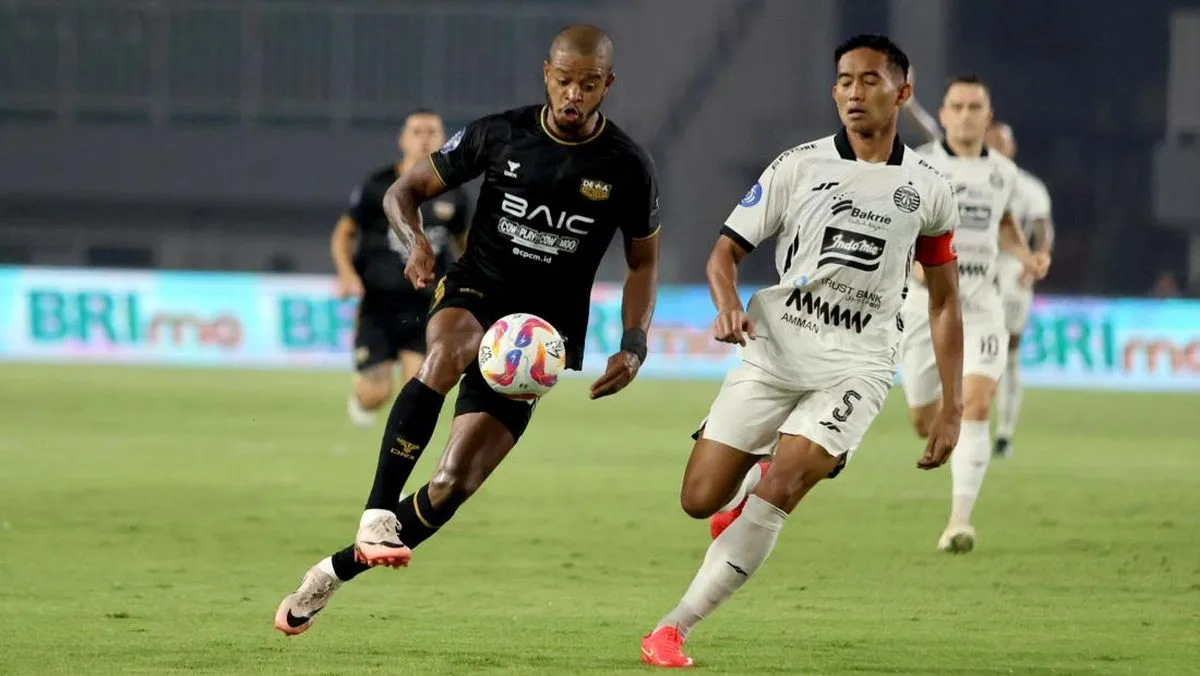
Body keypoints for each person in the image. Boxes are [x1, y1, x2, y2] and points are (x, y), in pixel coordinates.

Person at [274, 24, 661, 637]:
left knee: (454, 483)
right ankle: (376, 512)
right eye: (564, 80)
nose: (574, 94)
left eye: (588, 84)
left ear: (607, 84)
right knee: (451, 350)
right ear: (547, 74)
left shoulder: (628, 166)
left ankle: (332, 572)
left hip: (540, 336)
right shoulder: (499, 133)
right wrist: (414, 242)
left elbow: (643, 262)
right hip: (478, 291)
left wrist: (633, 345)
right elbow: (404, 192)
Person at [639, 34, 964, 669]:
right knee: (699, 499)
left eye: (870, 80)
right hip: (776, 350)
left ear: (903, 91)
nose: (853, 92)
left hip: (861, 363)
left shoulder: (929, 187)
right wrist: (727, 304)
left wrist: (952, 407)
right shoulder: (798, 166)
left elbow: (946, 302)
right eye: (844, 80)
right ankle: (750, 476)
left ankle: (672, 630)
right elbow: (724, 253)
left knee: (785, 486)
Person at [898, 75, 1048, 554]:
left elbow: (1004, 221)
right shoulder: (918, 165)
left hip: (982, 306)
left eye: (974, 107)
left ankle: (959, 521)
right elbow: (896, 228)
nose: (965, 115)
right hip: (924, 308)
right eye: (957, 107)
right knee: (925, 420)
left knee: (976, 404)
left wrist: (1026, 256)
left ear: (988, 116)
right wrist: (914, 266)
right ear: (943, 114)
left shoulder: (1004, 173)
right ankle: (947, 439)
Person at [331, 109, 471, 427]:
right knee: (376, 393)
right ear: (402, 139)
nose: (424, 139)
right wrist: (346, 273)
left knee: (415, 391)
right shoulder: (378, 185)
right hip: (378, 302)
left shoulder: (455, 194)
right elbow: (343, 233)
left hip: (425, 304)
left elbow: (463, 244)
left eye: (431, 132)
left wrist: (471, 282)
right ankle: (364, 394)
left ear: (443, 139)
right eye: (416, 132)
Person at [983, 121, 1054, 457]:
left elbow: (1043, 228)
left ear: (1011, 148)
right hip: (972, 266)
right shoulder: (967, 176)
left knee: (1009, 352)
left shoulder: (1029, 187)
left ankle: (1004, 434)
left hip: (1012, 269)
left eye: (1002, 143)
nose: (996, 149)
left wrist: (1039, 257)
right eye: (991, 143)